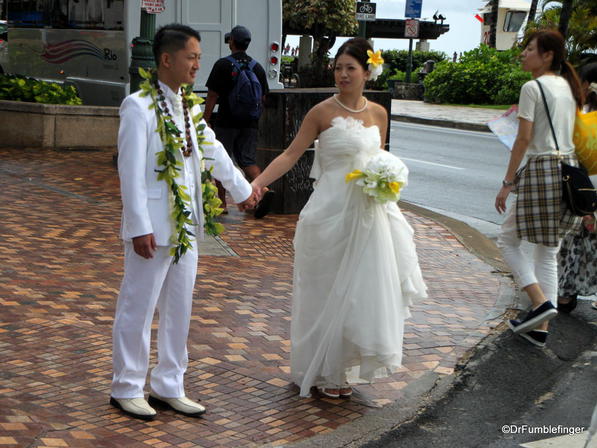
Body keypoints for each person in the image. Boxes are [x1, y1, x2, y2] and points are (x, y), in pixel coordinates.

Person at [251, 38, 428, 398]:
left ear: (367, 71)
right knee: (324, 291)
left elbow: (382, 159)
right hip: (328, 214)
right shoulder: (320, 112)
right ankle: (319, 366)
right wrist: (256, 183)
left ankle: (341, 370)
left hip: (369, 216)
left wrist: (387, 183)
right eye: (338, 67)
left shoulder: (379, 113)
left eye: (350, 68)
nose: (343, 74)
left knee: (361, 293)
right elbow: (290, 155)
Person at [111, 24, 255, 420]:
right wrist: (140, 225)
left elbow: (214, 150)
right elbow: (130, 171)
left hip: (187, 224)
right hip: (152, 226)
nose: (197, 64)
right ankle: (126, 386)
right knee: (138, 305)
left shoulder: (188, 107)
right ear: (166, 60)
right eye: (191, 57)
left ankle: (169, 384)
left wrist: (242, 190)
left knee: (180, 305)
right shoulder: (138, 106)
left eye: (198, 57)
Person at [495, 30, 584, 347]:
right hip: (568, 168)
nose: (523, 54)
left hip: (541, 171)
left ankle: (539, 302)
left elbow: (523, 139)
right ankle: (540, 327)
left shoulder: (532, 87)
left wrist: (507, 183)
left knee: (507, 239)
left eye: (529, 49)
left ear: (547, 55)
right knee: (548, 252)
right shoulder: (565, 86)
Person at [203, 25, 273, 218]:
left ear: (231, 41)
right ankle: (263, 190)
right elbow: (264, 98)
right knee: (248, 160)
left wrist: (205, 120)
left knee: (221, 159)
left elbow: (212, 95)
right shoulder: (257, 67)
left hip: (226, 121)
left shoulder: (223, 65)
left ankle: (222, 202)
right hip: (249, 122)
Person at [557, 62, 597, 313]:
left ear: (584, 84)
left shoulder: (579, 113)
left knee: (573, 243)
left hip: (584, 188)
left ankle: (565, 294)